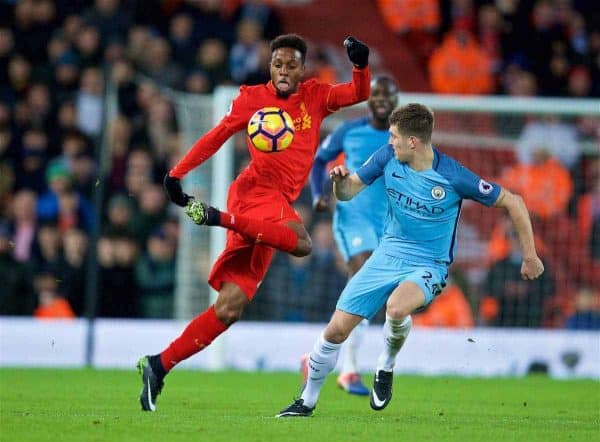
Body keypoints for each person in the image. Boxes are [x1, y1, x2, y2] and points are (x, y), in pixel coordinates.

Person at [137, 34, 371, 412]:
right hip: (255, 193)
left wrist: (361, 64)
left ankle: (158, 365)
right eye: (277, 64)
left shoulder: (316, 96)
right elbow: (217, 136)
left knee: (229, 308)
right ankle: (218, 218)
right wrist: (175, 174)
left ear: (301, 69)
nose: (283, 71)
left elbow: (359, 92)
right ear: (270, 66)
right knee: (302, 244)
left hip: (272, 207)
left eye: (291, 65)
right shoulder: (251, 99)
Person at [277, 103, 544, 417]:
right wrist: (338, 182)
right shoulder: (386, 157)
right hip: (387, 254)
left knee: (396, 306)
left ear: (413, 141)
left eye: (394, 136)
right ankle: (306, 402)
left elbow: (514, 202)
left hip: (429, 264)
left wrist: (530, 256)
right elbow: (349, 192)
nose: (389, 141)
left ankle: (385, 365)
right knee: (335, 331)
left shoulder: (452, 175)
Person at [304, 75, 398, 396]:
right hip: (353, 217)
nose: (382, 100)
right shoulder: (350, 131)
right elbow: (319, 161)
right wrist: (319, 195)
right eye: (377, 95)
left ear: (396, 101)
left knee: (371, 293)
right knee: (363, 271)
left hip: (387, 222)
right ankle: (348, 370)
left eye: (388, 95)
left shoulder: (400, 137)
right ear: (369, 100)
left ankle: (318, 356)